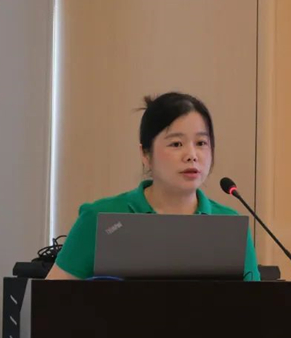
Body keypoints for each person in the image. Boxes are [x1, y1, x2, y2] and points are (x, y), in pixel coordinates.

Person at [46, 92, 260, 281]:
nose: (192, 155)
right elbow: (49, 303)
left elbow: (256, 307)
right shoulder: (100, 218)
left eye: (201, 143)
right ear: (145, 154)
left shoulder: (230, 227)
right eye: (176, 144)